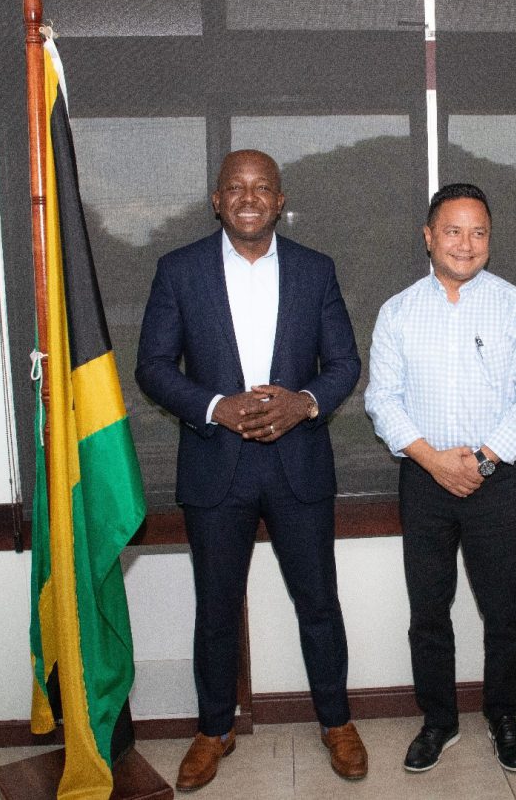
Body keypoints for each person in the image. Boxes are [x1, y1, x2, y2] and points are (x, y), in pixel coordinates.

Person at [136, 149, 367, 790]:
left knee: (318, 602)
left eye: (261, 186)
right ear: (216, 199)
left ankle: (338, 722)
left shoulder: (315, 271)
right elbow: (152, 366)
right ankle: (213, 730)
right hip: (216, 467)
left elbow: (344, 363)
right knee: (215, 608)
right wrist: (216, 406)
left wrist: (304, 404)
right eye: (235, 186)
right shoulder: (178, 271)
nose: (248, 196)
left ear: (279, 199)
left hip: (298, 466)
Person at [365, 183, 516, 774]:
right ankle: (438, 719)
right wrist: (433, 459)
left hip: (495, 480)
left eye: (478, 232)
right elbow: (382, 400)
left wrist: (487, 459)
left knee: (504, 611)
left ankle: (504, 715)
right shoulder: (397, 311)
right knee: (429, 609)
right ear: (428, 235)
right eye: (452, 230)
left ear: (490, 240)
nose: (465, 244)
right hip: (424, 478)